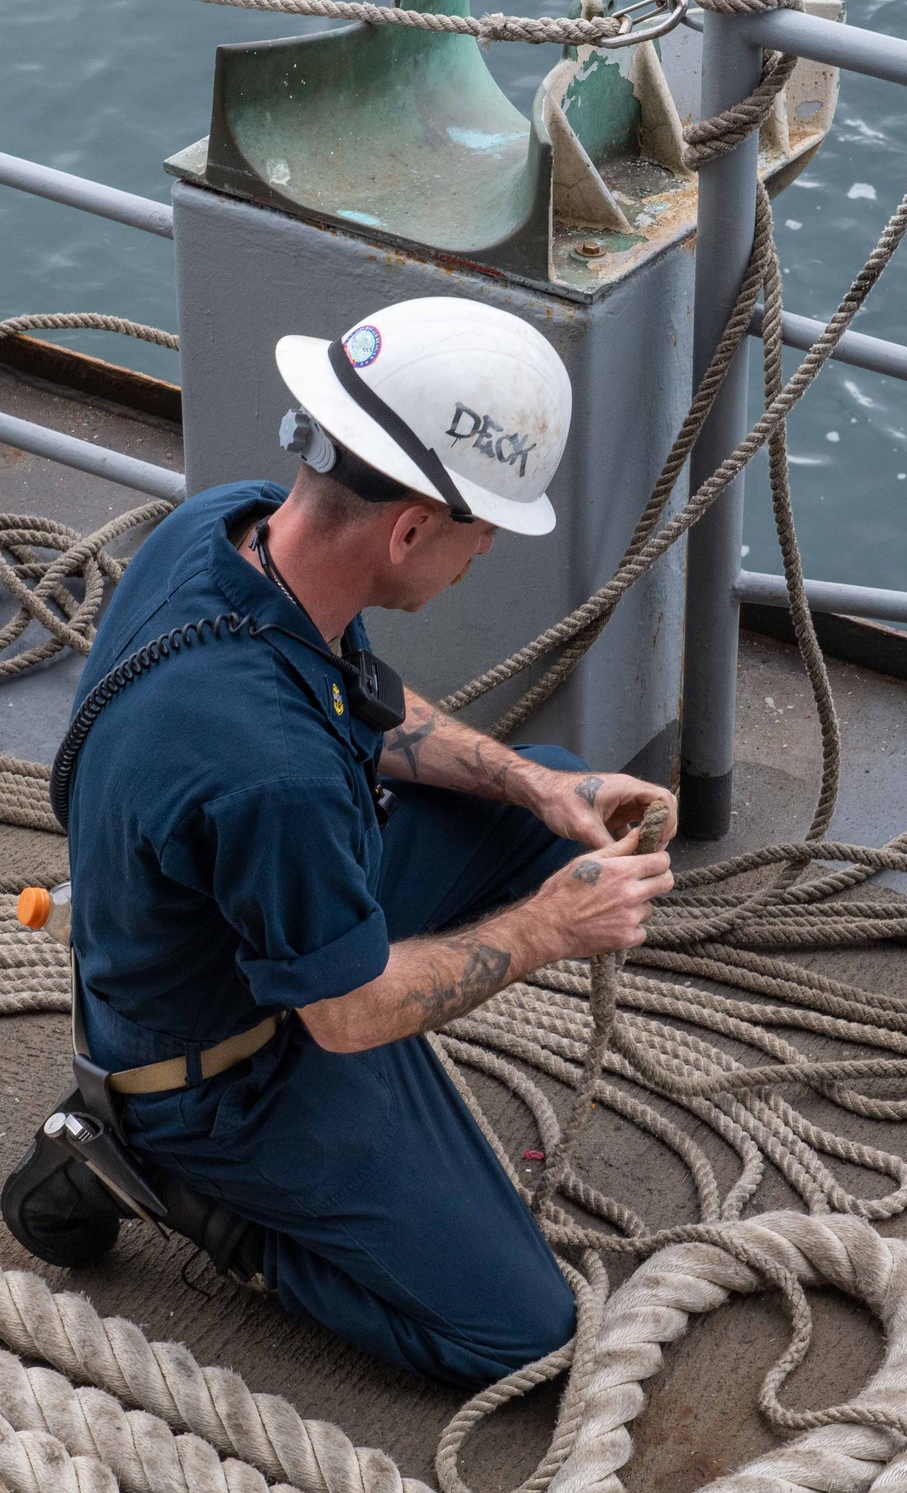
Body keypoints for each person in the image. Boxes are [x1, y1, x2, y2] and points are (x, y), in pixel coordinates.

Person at [68, 295, 676, 1388]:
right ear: (408, 528)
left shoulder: (230, 528)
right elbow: (347, 1018)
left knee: (536, 833)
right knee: (522, 1339)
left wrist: (542, 786)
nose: (481, 550)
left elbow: (365, 705)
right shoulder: (275, 774)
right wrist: (550, 929)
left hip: (222, 927)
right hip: (220, 1068)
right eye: (479, 531)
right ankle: (162, 1182)